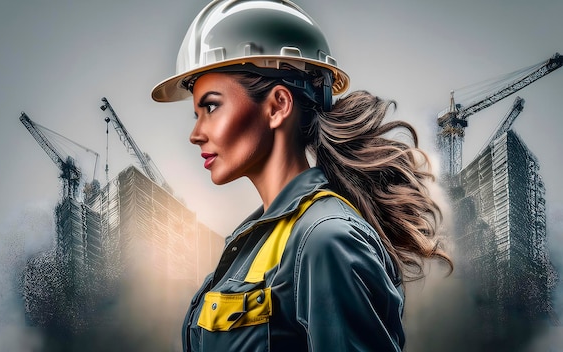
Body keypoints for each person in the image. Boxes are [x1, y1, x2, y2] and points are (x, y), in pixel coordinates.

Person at [151, 0, 452, 351]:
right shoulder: (257, 241)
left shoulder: (325, 239)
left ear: (278, 105)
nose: (196, 133)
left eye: (212, 107)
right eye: (196, 115)